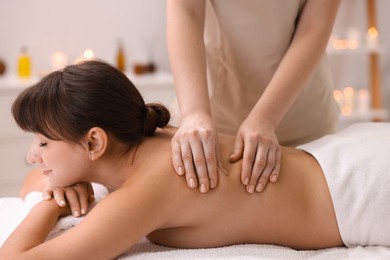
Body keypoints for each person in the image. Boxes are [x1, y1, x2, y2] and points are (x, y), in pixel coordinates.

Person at [1, 60, 390, 259]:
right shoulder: (148, 143)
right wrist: (60, 185)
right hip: (348, 160)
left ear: (94, 143)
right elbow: (33, 183)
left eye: (43, 143)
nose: (33, 156)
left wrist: (47, 210)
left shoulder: (143, 192)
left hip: (363, 192)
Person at [166, 0, 341, 194]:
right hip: (212, 125)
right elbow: (185, 9)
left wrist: (266, 117)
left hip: (302, 120)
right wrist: (194, 114)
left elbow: (313, 27)